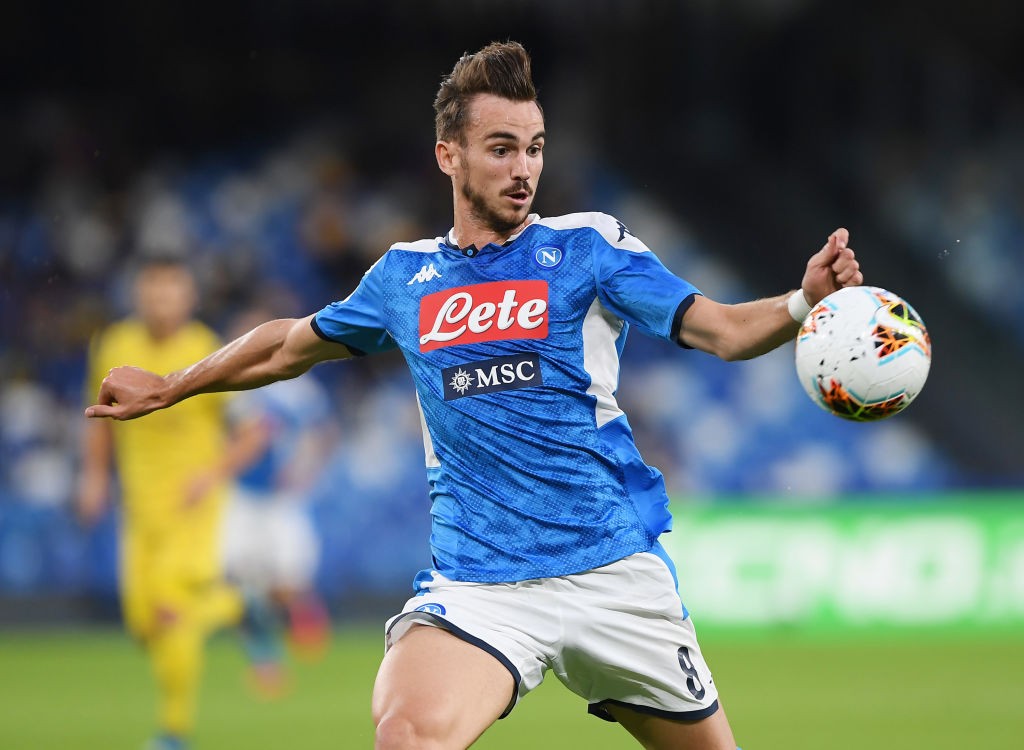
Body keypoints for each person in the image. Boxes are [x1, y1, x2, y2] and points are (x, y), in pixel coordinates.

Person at [84, 42, 863, 750]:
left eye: (534, 149)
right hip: (481, 585)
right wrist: (173, 387)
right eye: (501, 150)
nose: (524, 168)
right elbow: (288, 346)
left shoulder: (588, 248)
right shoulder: (402, 277)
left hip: (613, 572)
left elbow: (722, 330)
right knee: (407, 736)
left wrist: (801, 304)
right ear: (448, 156)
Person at [76, 258, 285, 750]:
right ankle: (237, 607)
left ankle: (173, 732)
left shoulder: (205, 351)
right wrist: (94, 477)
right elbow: (100, 417)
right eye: (152, 292)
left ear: (188, 297)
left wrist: (208, 475)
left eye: (170, 292)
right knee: (143, 623)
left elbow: (257, 431)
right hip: (140, 509)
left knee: (172, 613)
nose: (160, 302)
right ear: (137, 295)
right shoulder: (114, 346)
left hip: (193, 510)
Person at [220, 306, 333, 660]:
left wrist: (306, 469)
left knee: (287, 583)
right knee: (239, 579)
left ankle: (304, 629)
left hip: (282, 498)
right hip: (242, 495)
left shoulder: (294, 385)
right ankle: (263, 655)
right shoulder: (229, 385)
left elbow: (324, 432)